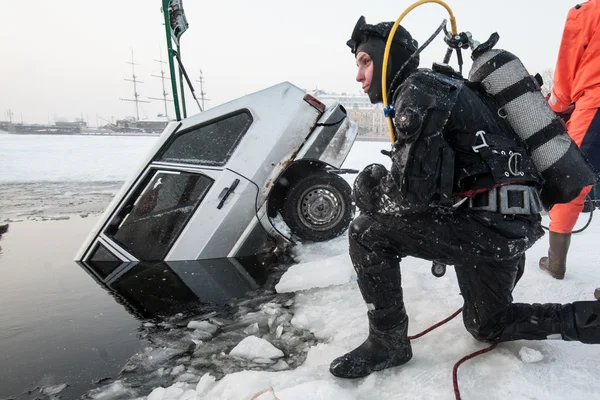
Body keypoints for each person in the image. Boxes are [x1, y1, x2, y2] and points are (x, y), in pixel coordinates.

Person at [329, 15, 600, 379]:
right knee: (489, 325)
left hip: (488, 227)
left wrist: (368, 189)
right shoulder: (452, 88)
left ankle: (387, 342)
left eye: (365, 61)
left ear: (388, 57)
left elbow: (409, 199)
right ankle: (592, 322)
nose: (360, 76)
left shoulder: (418, 89)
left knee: (366, 232)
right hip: (511, 226)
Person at [540, 0, 600, 279]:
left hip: (596, 104)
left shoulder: (588, 12)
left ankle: (556, 263)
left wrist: (555, 107)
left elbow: (565, 69)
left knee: (571, 182)